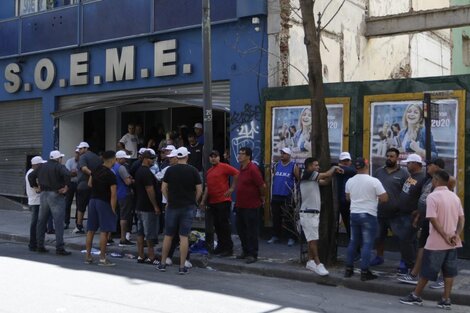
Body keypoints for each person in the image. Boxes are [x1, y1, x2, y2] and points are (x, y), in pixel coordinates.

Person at [399, 170, 465, 309]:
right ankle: (446, 299)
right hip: (453, 242)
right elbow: (462, 218)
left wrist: (444, 235)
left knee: (427, 271)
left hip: (436, 242)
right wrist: (456, 234)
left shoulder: (433, 196)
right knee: (449, 273)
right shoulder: (455, 197)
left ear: (435, 180)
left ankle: (415, 296)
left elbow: (432, 219)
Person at [398, 158, 455, 286]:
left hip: (437, 219)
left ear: (438, 166)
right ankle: (414, 274)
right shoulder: (428, 179)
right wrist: (419, 213)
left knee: (439, 248)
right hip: (426, 217)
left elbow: (447, 198)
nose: (427, 167)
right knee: (422, 246)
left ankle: (441, 278)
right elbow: (424, 197)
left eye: (430, 165)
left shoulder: (447, 179)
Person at [158, 147, 203, 274]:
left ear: (177, 157)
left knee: (168, 235)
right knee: (184, 236)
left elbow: (163, 188)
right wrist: (194, 201)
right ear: (187, 156)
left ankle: (162, 263)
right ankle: (182, 266)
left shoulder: (170, 170)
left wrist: (168, 200)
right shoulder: (193, 170)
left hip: (172, 206)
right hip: (188, 206)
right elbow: (199, 189)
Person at [344, 158, 388, 281]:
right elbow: (384, 198)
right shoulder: (374, 181)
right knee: (367, 243)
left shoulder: (350, 181)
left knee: (353, 241)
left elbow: (348, 198)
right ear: (367, 165)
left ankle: (349, 269)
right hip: (369, 214)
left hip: (354, 213)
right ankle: (364, 271)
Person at [300, 158, 343, 276]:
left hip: (312, 213)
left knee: (311, 238)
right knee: (313, 240)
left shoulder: (312, 179)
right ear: (309, 166)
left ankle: (310, 261)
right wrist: (334, 168)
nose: (318, 167)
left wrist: (332, 174)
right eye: (316, 165)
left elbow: (326, 181)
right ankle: (318, 263)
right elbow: (326, 174)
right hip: (308, 213)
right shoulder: (308, 174)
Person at [28, 150, 71, 255]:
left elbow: (31, 176)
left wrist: (35, 186)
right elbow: (67, 174)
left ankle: (40, 246)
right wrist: (66, 187)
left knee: (41, 221)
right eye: (61, 158)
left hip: (43, 194)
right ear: (58, 158)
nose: (61, 159)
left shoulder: (42, 166)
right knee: (58, 222)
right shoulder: (59, 166)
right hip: (56, 194)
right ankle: (59, 248)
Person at [371, 147, 409, 266]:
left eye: (391, 156)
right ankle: (379, 256)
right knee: (378, 237)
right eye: (387, 156)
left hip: (396, 214)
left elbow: (408, 191)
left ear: (397, 158)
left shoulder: (404, 173)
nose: (389, 158)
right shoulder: (378, 172)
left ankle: (404, 260)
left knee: (401, 238)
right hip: (380, 212)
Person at [200, 150, 239, 257]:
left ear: (219, 157)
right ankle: (221, 246)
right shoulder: (209, 171)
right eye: (211, 156)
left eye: (215, 156)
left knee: (224, 226)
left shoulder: (224, 166)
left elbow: (236, 173)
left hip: (223, 201)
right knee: (217, 226)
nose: (213, 158)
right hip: (213, 202)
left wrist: (232, 188)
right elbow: (207, 188)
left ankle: (228, 248)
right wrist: (203, 201)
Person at [84, 151, 118, 266]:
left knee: (91, 230)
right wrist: (113, 209)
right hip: (104, 202)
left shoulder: (96, 169)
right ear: (112, 159)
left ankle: (88, 256)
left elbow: (89, 184)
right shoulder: (111, 174)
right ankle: (102, 258)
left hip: (92, 200)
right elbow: (113, 194)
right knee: (104, 231)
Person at [234, 147, 266, 264]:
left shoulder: (253, 169)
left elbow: (262, 185)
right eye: (239, 153)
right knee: (241, 230)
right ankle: (245, 251)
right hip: (240, 205)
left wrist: (262, 197)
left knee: (251, 231)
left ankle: (253, 254)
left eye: (242, 154)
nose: (239, 156)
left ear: (248, 156)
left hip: (251, 205)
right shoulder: (241, 168)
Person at [395, 153, 426, 274]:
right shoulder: (411, 176)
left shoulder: (422, 178)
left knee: (406, 240)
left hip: (412, 215)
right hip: (403, 214)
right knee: (409, 241)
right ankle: (411, 265)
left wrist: (418, 212)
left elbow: (423, 197)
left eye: (409, 163)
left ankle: (412, 266)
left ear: (416, 164)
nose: (407, 165)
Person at [267, 147, 299, 246]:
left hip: (287, 196)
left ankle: (291, 237)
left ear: (289, 155)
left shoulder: (293, 166)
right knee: (276, 218)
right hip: (276, 195)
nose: (282, 155)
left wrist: (295, 194)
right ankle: (276, 236)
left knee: (288, 218)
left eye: (284, 153)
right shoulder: (276, 166)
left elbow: (298, 179)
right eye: (281, 153)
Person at [134, 150, 161, 264]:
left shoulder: (139, 171)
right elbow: (149, 190)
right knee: (149, 233)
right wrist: (155, 206)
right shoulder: (146, 172)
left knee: (140, 232)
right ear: (145, 159)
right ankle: (151, 256)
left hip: (139, 206)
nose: (152, 161)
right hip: (147, 207)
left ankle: (140, 255)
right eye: (151, 158)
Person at [74, 141, 102, 234]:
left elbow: (84, 168)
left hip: (83, 185)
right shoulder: (97, 157)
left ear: (86, 148)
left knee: (80, 207)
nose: (79, 150)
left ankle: (79, 226)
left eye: (81, 149)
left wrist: (92, 174)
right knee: (92, 206)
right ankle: (93, 226)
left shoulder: (83, 157)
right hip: (96, 185)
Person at [112, 150, 135, 246]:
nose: (125, 160)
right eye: (124, 158)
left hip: (115, 194)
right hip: (124, 194)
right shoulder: (121, 168)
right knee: (124, 216)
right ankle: (123, 238)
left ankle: (109, 237)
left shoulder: (112, 167)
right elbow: (128, 182)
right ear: (119, 158)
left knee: (114, 215)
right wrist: (132, 180)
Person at [26, 156, 46, 251]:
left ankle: (33, 243)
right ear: (36, 165)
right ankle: (33, 243)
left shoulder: (30, 172)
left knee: (35, 223)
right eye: (40, 164)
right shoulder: (32, 173)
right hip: (36, 201)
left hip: (33, 200)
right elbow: (37, 187)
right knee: (36, 223)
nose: (42, 166)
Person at [336, 151, 356, 241]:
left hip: (350, 202)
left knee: (350, 226)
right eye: (343, 160)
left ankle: (355, 246)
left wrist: (337, 167)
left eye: (347, 160)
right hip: (338, 202)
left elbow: (352, 171)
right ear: (340, 161)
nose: (345, 162)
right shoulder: (335, 169)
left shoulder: (352, 171)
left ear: (350, 161)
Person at [64, 149, 79, 230]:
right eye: (76, 153)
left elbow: (83, 174)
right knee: (67, 203)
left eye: (79, 153)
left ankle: (78, 223)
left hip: (79, 184)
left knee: (79, 204)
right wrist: (76, 172)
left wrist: (74, 172)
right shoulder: (70, 161)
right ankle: (66, 222)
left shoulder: (82, 162)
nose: (77, 155)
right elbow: (67, 173)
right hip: (71, 184)